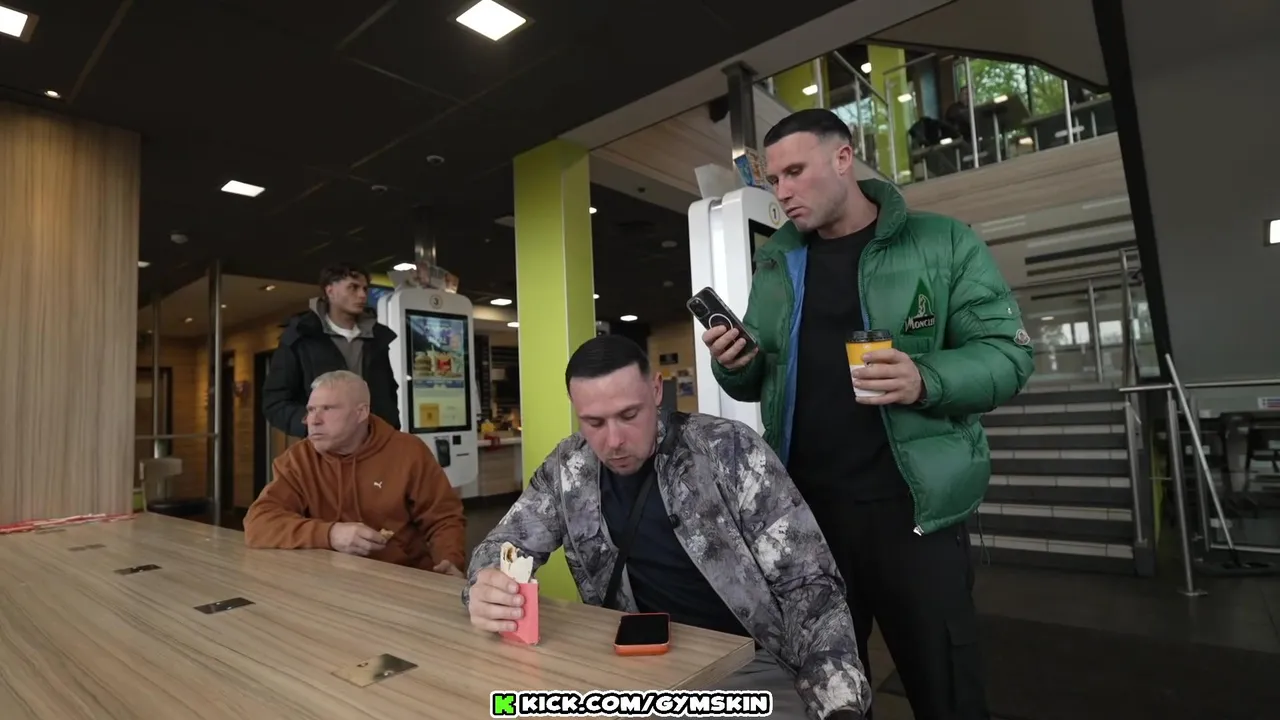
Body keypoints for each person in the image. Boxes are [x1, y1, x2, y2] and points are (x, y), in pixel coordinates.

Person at [703, 108, 1034, 720]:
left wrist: (925, 378)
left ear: (843, 158)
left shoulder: (942, 242)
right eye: (774, 179)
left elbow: (1008, 355)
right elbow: (759, 379)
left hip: (915, 515)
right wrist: (734, 362)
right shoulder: (778, 262)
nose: (784, 191)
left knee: (946, 689)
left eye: (796, 172)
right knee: (830, 696)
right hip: (810, 520)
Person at [464, 335, 870, 720]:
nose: (614, 441)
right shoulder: (567, 469)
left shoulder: (729, 450)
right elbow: (504, 545)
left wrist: (837, 703)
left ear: (656, 390)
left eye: (629, 415)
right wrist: (485, 584)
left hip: (749, 668)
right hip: (632, 668)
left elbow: (810, 586)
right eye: (594, 422)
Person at [245, 371, 466, 576]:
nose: (314, 420)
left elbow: (443, 519)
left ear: (361, 413)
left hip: (402, 578)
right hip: (327, 580)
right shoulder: (298, 459)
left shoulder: (409, 452)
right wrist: (331, 534)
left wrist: (450, 560)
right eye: (311, 410)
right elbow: (258, 523)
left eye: (327, 409)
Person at [262, 262, 399, 438]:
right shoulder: (300, 338)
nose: (362, 295)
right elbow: (275, 402)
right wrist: (313, 424)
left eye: (365, 289)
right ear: (330, 291)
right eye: (353, 287)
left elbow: (389, 395)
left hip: (374, 443)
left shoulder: (377, 338)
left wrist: (390, 432)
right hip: (323, 447)